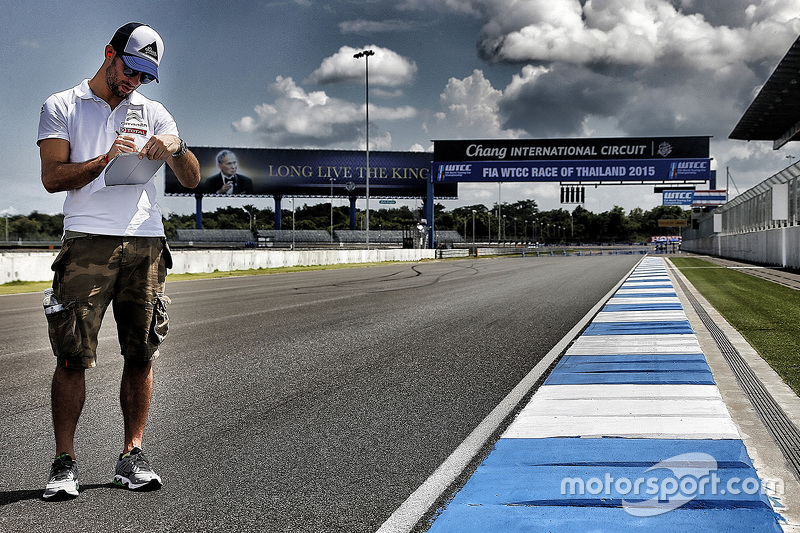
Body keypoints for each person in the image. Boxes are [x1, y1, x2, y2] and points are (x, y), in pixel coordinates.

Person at [37, 22, 201, 499]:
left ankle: (132, 455)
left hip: (146, 242)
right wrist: (107, 160)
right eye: (129, 70)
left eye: (145, 76)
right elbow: (52, 177)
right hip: (87, 242)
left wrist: (178, 147)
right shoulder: (61, 105)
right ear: (109, 53)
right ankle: (64, 463)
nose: (134, 82)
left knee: (142, 351)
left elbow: (190, 180)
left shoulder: (154, 111)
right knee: (72, 356)